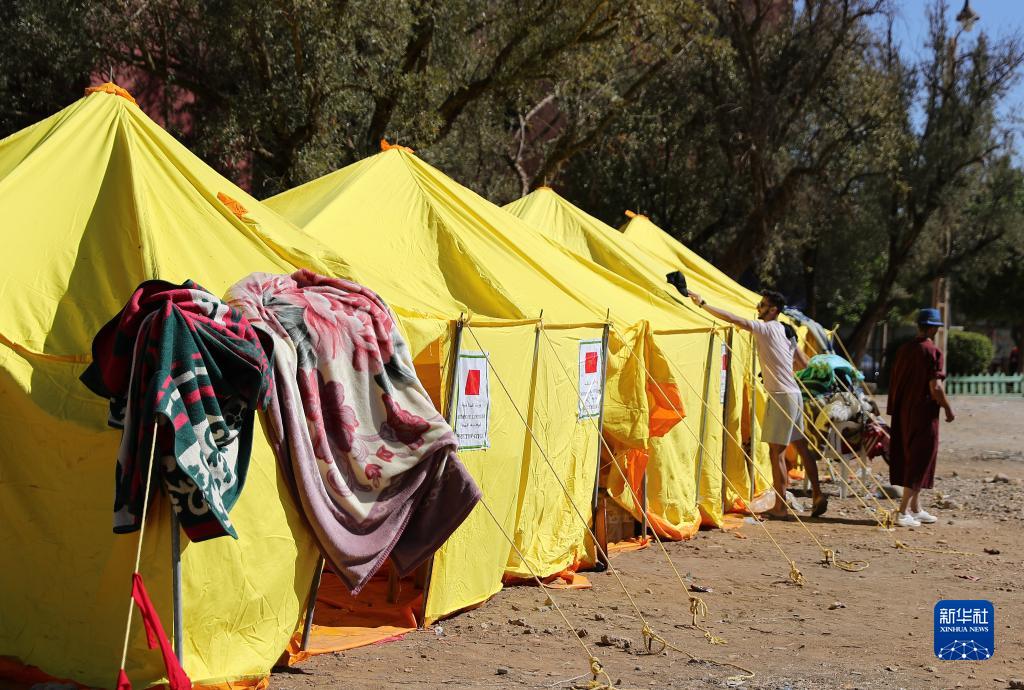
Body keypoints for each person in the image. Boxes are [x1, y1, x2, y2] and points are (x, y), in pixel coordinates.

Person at [688, 289, 827, 518]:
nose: (758, 308)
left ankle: (780, 507)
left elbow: (733, 319)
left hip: (780, 396)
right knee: (801, 446)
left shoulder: (765, 328)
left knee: (776, 453)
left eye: (762, 305)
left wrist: (702, 303)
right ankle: (818, 494)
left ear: (773, 310)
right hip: (794, 394)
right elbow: (803, 363)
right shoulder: (786, 330)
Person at [887, 308, 955, 527]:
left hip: (903, 412)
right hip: (924, 413)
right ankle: (902, 512)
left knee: (910, 456)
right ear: (934, 328)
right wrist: (948, 408)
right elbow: (936, 387)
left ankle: (916, 508)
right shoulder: (932, 351)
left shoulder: (904, 349)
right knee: (921, 458)